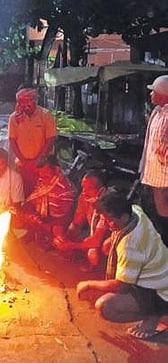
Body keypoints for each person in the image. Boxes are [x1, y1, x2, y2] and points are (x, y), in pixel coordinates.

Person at [77, 190, 168, 340]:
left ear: (123, 215)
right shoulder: (135, 211)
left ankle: (154, 315)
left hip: (158, 289)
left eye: (110, 219)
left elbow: (119, 286)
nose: (107, 223)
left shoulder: (130, 245)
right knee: (108, 246)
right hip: (159, 270)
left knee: (105, 307)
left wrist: (88, 284)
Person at [53, 169, 111, 271]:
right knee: (60, 232)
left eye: (89, 188)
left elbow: (97, 240)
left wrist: (71, 246)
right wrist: (65, 238)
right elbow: (76, 224)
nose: (84, 191)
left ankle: (101, 267)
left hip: (107, 241)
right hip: (93, 234)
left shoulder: (108, 203)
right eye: (83, 187)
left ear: (101, 191)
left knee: (93, 254)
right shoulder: (84, 197)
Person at [9, 87, 57, 195]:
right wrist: (24, 161)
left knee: (40, 194)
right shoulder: (14, 118)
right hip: (22, 164)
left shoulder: (46, 115)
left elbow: (50, 139)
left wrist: (39, 159)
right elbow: (12, 140)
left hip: (41, 164)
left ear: (34, 101)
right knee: (22, 193)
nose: (25, 107)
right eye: (22, 104)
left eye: (28, 104)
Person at [139, 74, 168, 246]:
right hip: (152, 176)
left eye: (153, 92)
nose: (150, 94)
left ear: (163, 95)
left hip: (164, 180)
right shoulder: (157, 112)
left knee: (163, 217)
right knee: (153, 216)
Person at [21, 155, 76, 242]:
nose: (41, 178)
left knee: (58, 234)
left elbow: (65, 218)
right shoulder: (42, 180)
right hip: (45, 218)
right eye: (40, 175)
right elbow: (33, 199)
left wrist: (41, 223)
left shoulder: (65, 189)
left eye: (45, 176)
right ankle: (35, 235)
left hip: (58, 223)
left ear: (57, 170)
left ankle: (51, 241)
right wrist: (31, 214)